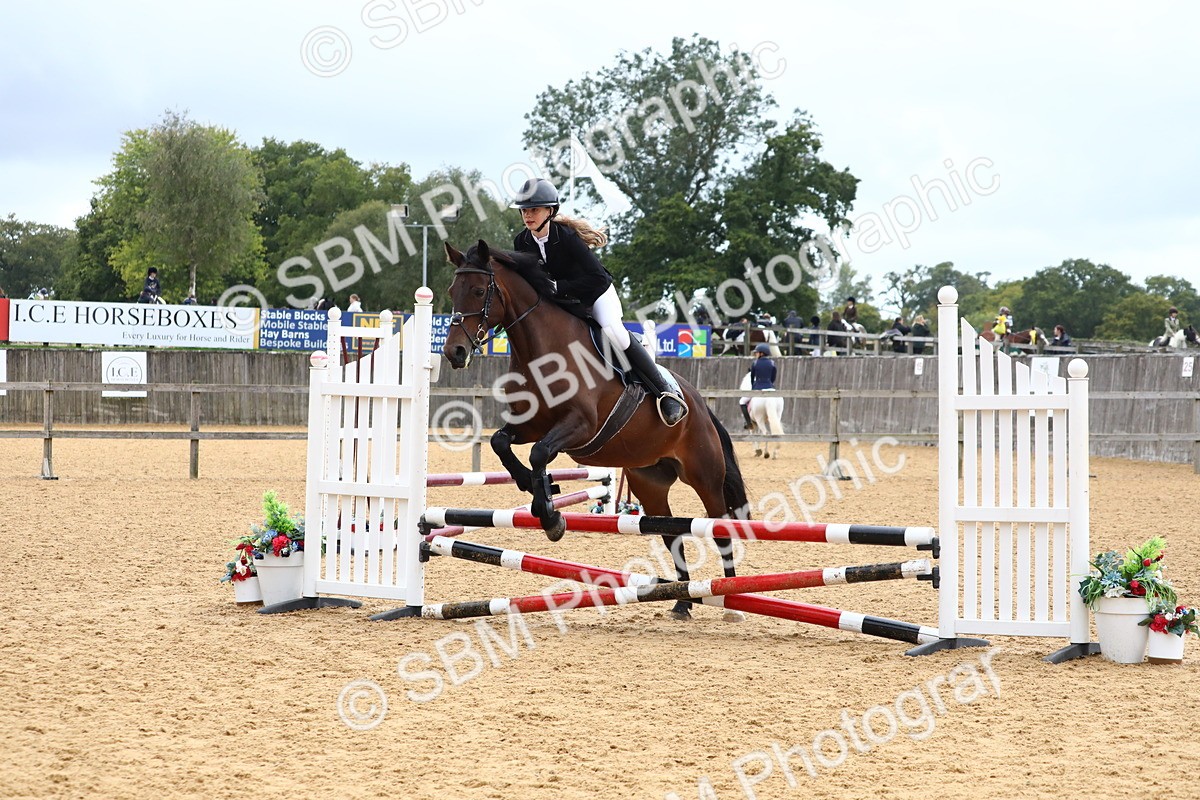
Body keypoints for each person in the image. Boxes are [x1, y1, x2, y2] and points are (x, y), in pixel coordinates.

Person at [512, 177, 686, 426]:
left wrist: (560, 287)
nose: (528, 216)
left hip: (596, 294)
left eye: (534, 210)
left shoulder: (567, 237)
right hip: (565, 302)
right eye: (524, 211)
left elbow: (596, 277)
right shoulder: (522, 241)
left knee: (613, 331)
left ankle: (664, 390)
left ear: (550, 211)